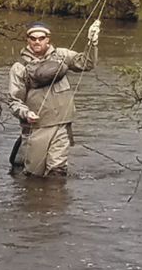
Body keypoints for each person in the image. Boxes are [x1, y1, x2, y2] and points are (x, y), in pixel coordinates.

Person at [8, 19, 100, 177]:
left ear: (48, 39)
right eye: (33, 38)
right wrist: (25, 113)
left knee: (57, 171)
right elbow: (15, 101)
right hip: (36, 128)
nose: (37, 41)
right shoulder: (19, 67)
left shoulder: (62, 55)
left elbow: (87, 63)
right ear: (28, 40)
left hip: (61, 126)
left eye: (41, 38)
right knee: (34, 176)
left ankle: (56, 200)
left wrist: (92, 42)